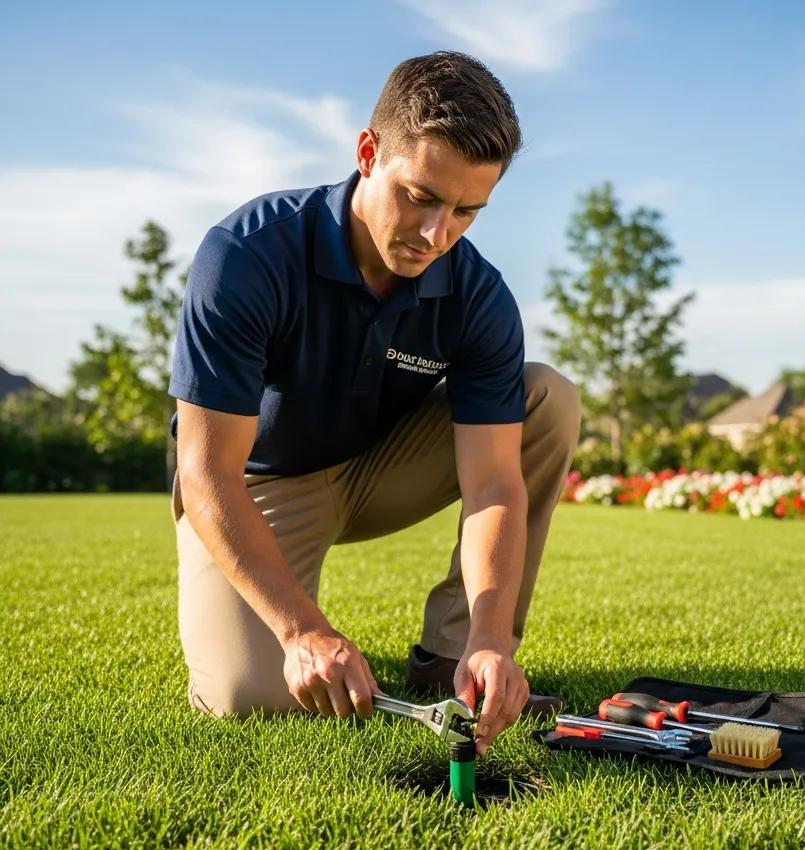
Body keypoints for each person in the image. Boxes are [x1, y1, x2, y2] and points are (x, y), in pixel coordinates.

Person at [169, 51, 581, 757]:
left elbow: (491, 484)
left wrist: (489, 635)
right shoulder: (246, 255)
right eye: (421, 196)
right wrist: (303, 633)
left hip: (378, 469)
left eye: (466, 211)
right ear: (368, 152)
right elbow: (208, 477)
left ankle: (455, 662)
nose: (436, 234)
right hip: (257, 485)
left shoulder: (479, 295)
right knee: (248, 698)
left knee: (547, 397)